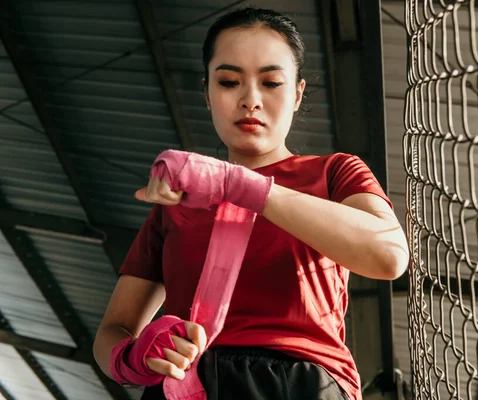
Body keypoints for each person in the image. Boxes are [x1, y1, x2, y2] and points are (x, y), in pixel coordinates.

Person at [93, 6, 409, 400]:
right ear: (206, 94)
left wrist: (239, 185)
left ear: (296, 95)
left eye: (272, 82)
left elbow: (390, 255)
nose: (250, 100)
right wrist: (133, 356)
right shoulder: (176, 203)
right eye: (228, 82)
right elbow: (112, 330)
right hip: (187, 388)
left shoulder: (334, 172)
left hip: (302, 384)